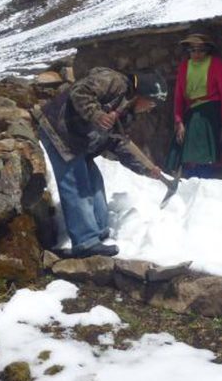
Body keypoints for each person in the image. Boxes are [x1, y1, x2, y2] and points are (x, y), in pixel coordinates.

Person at [35, 67, 167, 258]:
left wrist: (147, 168)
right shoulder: (114, 82)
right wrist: (97, 115)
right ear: (143, 94)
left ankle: (100, 231)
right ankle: (86, 242)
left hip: (81, 141)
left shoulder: (128, 112)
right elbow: (79, 91)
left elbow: (118, 141)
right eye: (152, 103)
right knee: (76, 183)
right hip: (59, 129)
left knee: (94, 182)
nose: (150, 108)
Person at [165, 33, 222, 178]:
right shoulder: (184, 67)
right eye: (193, 50)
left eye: (201, 50)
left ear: (207, 50)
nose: (197, 54)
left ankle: (205, 177)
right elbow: (179, 97)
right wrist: (179, 121)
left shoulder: (217, 65)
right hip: (191, 111)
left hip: (212, 111)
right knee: (181, 144)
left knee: (205, 147)